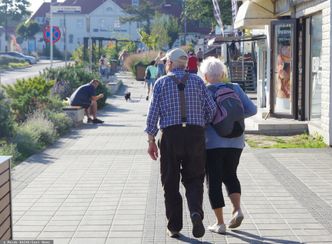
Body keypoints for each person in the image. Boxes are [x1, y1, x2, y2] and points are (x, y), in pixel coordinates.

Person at [145, 48, 217, 239]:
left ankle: (174, 226)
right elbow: (212, 110)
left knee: (170, 181)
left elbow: (152, 115)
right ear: (185, 64)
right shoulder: (198, 81)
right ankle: (195, 212)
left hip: (170, 135)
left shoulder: (161, 83)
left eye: (165, 62)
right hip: (195, 135)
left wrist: (151, 140)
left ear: (170, 63)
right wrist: (200, 123)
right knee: (194, 178)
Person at [200, 57, 257, 234]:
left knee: (214, 181)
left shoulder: (204, 90)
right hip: (236, 142)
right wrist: (232, 119)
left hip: (213, 143)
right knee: (231, 175)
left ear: (205, 75)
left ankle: (220, 223)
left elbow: (203, 116)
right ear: (223, 73)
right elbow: (253, 110)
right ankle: (237, 210)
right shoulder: (235, 88)